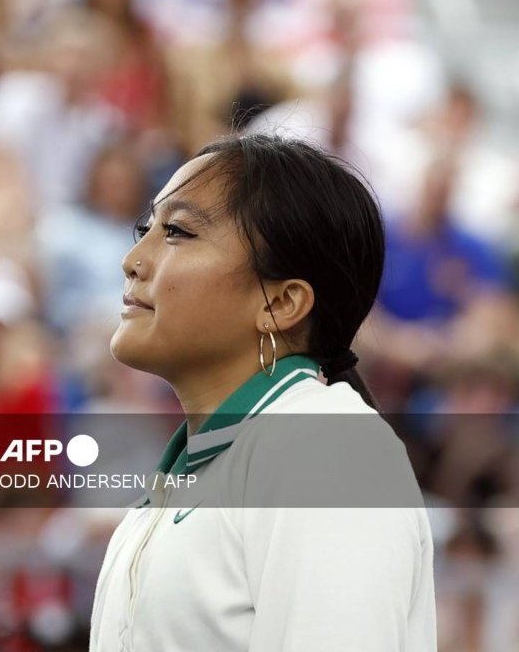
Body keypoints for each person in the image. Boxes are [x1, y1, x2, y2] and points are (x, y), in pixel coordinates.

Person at [90, 134, 436, 650]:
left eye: (178, 232)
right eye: (146, 228)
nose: (134, 259)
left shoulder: (329, 446)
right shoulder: (205, 466)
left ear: (281, 303)